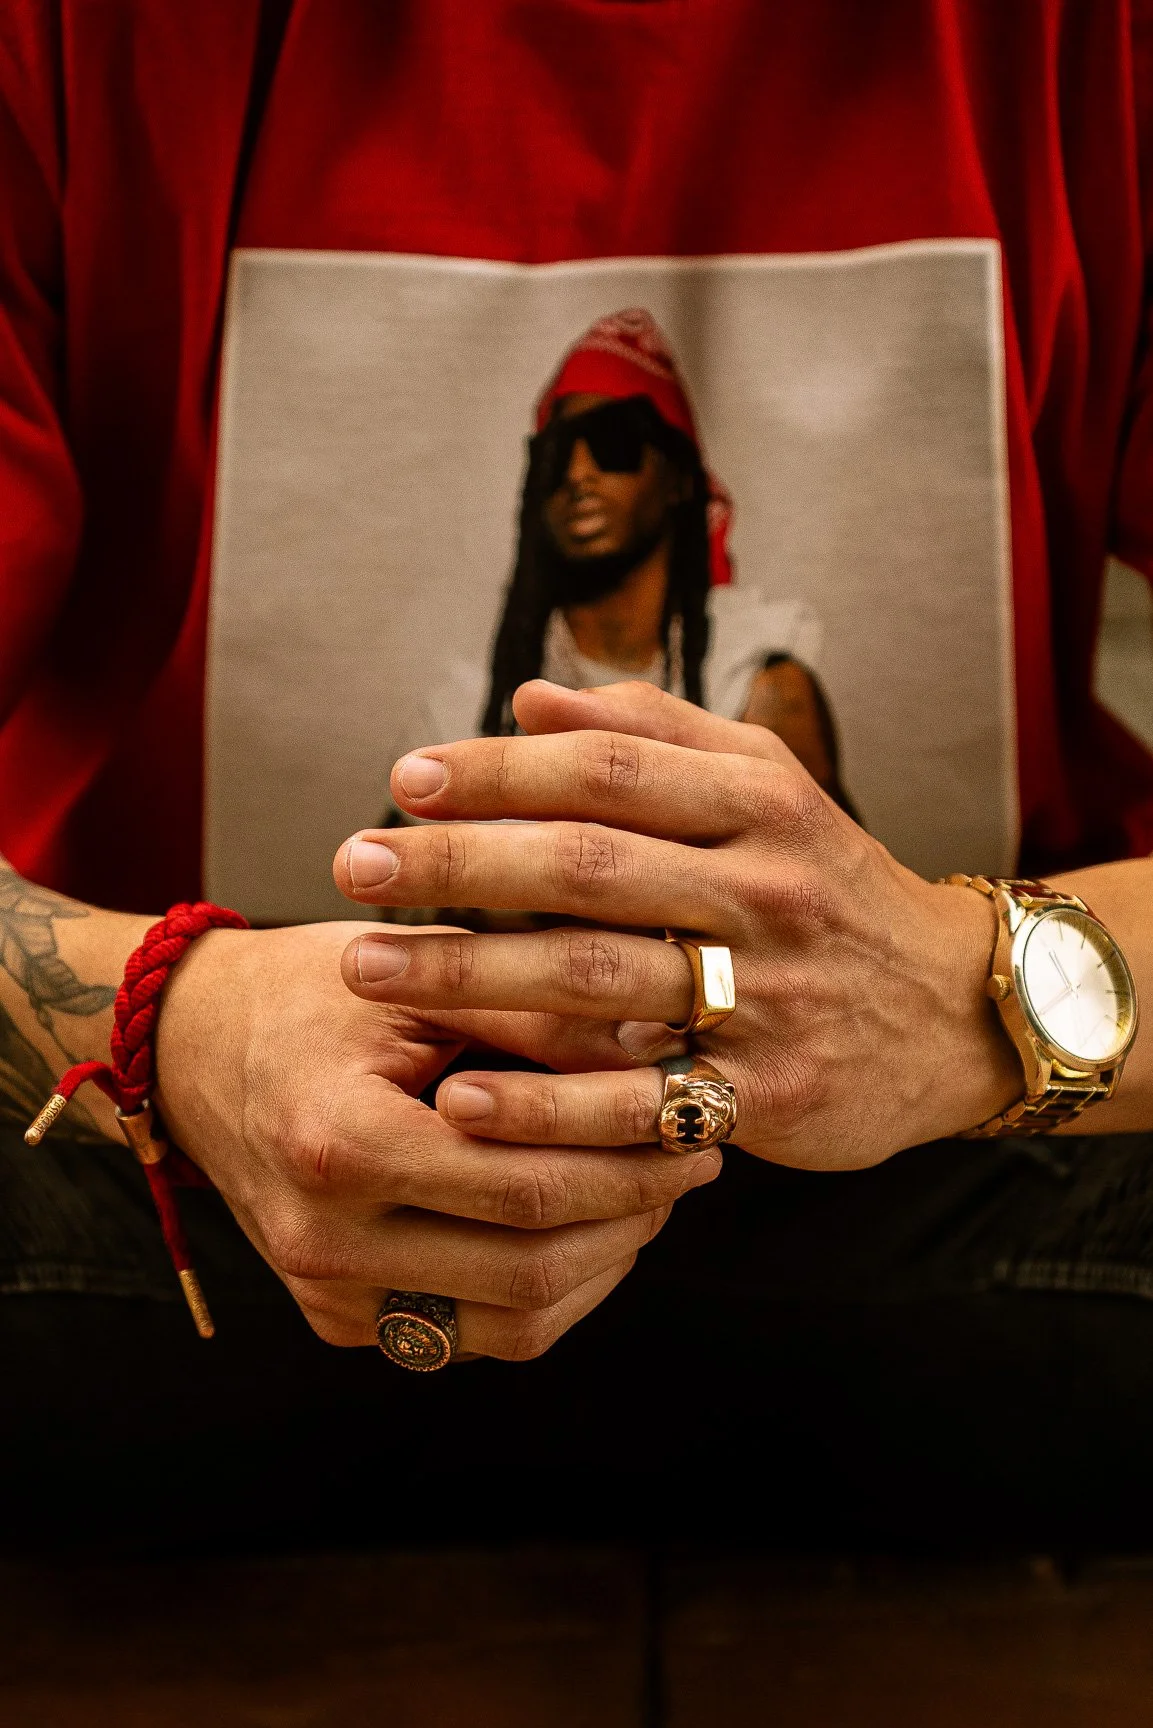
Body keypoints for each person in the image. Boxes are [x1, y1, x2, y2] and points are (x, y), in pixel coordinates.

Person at [3, 2, 1153, 1551]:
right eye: (565, 452)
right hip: (170, 1185)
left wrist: (963, 988)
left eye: (622, 445)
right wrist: (177, 1017)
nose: (587, 483)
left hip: (959, 1172)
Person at [487, 307, 855, 809]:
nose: (577, 475)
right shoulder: (473, 704)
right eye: (555, 454)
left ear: (680, 480)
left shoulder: (755, 690)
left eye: (614, 442)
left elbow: (836, 877)